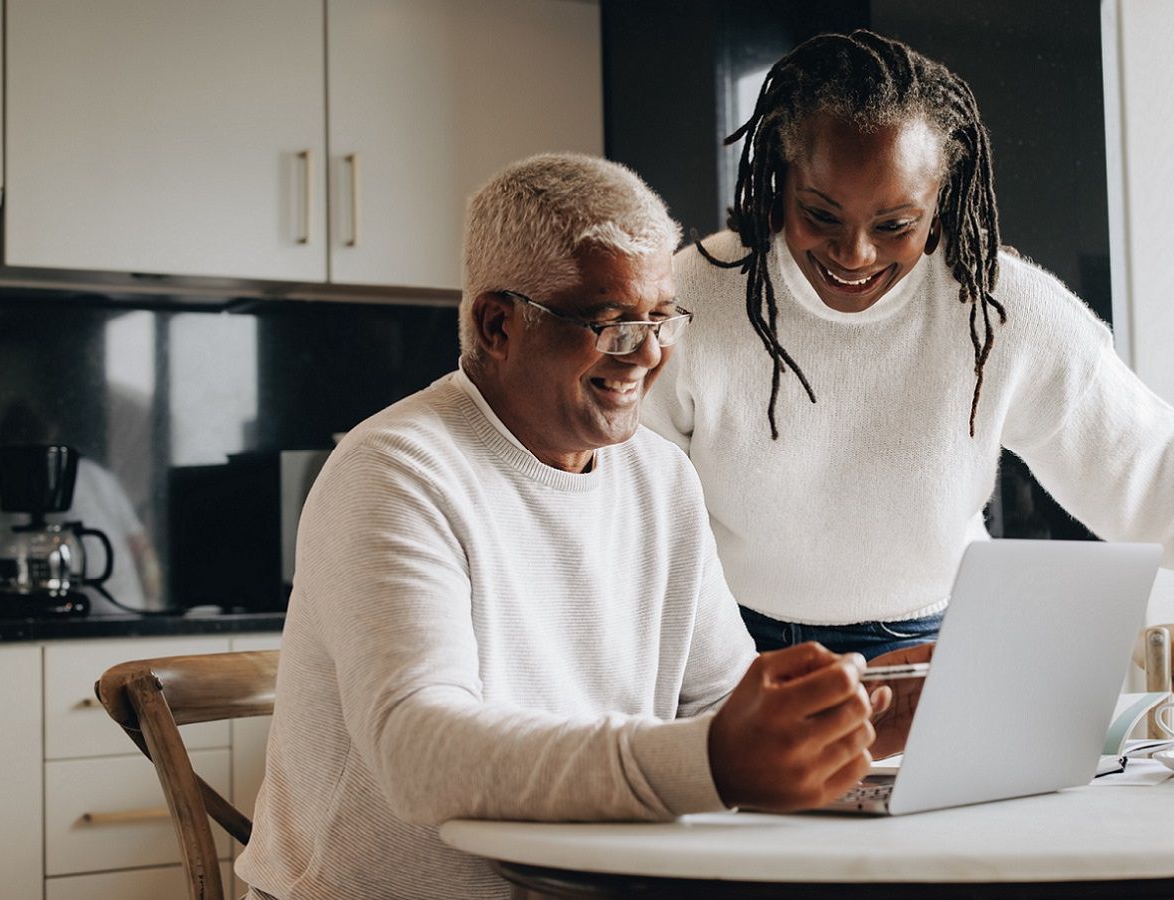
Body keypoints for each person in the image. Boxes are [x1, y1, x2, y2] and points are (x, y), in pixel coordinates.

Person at [641, 30, 1174, 659]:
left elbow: (1158, 473)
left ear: (941, 201)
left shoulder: (998, 308)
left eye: (894, 226)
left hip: (937, 648)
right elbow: (624, 511)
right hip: (731, 649)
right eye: (822, 214)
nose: (854, 254)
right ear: (778, 178)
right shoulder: (694, 300)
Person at [236, 154, 896, 900]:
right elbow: (419, 754)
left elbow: (720, 704)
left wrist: (877, 703)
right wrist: (711, 760)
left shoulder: (660, 476)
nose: (647, 354)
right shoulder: (396, 470)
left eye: (660, 319)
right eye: (609, 322)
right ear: (497, 325)